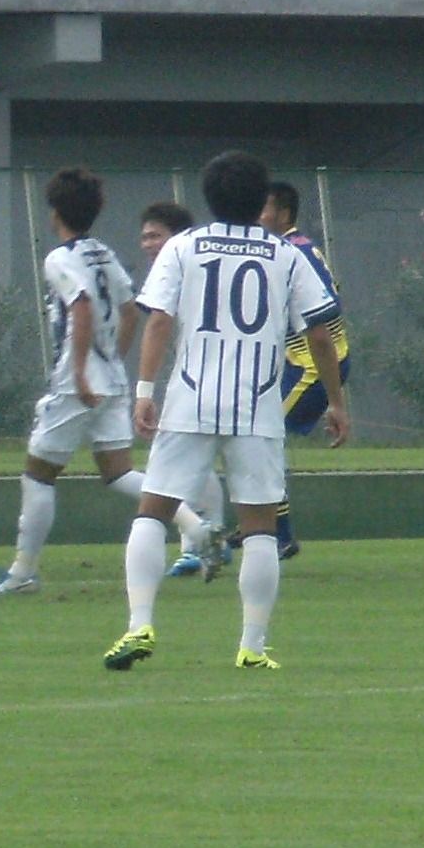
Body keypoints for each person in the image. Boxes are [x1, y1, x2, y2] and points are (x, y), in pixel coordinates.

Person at [103, 151, 349, 673]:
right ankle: (252, 647)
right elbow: (320, 333)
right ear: (261, 201)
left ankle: (139, 624)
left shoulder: (182, 246)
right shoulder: (285, 255)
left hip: (191, 397)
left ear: (207, 197)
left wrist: (143, 390)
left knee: (154, 510)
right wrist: (336, 400)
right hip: (258, 404)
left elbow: (159, 323)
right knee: (259, 526)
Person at [0, 172, 217, 597]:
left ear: (55, 212)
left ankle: (23, 571)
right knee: (118, 471)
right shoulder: (104, 253)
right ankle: (196, 526)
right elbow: (129, 311)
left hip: (76, 383)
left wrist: (81, 373)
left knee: (38, 475)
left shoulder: (59, 258)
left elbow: (81, 307)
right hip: (111, 380)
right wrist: (113, 363)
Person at [259, 178, 351, 561]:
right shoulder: (293, 248)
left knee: (262, 441)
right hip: (305, 364)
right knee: (261, 441)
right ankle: (264, 525)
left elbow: (321, 328)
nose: (257, 216)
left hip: (313, 368)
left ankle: (276, 533)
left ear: (282, 214)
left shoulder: (294, 252)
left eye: (263, 208)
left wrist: (336, 401)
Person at [143, 201, 231, 580]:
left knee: (165, 470)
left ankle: (204, 538)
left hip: (204, 382)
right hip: (206, 379)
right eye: (144, 236)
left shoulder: (188, 263)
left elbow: (159, 323)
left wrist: (144, 389)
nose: (147, 244)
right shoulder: (184, 267)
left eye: (154, 236)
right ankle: (201, 541)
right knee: (198, 464)